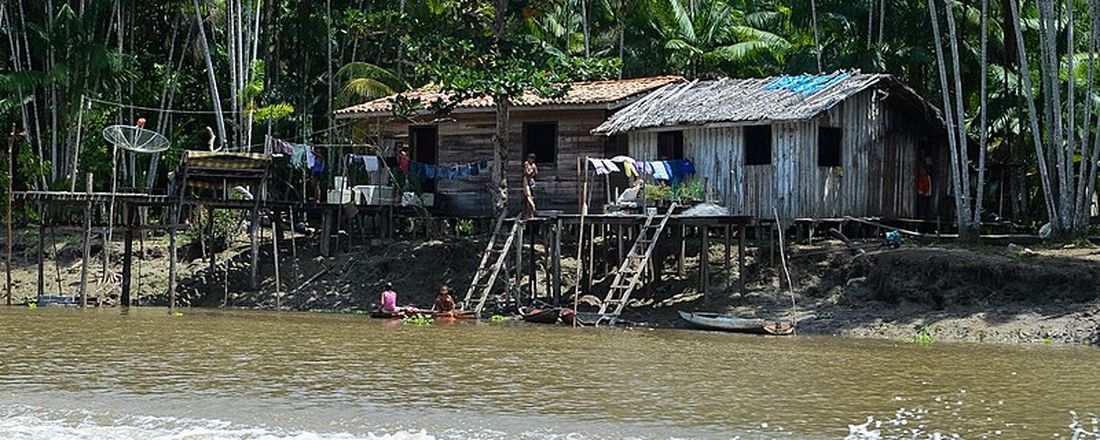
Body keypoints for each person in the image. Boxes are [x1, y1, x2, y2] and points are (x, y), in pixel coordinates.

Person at [522, 153, 539, 219]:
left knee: (532, 196)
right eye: (529, 158)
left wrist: (532, 171)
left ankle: (531, 214)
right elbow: (527, 173)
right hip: (526, 181)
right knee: (527, 197)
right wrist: (532, 170)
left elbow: (536, 172)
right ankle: (526, 214)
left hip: (531, 181)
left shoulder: (533, 165)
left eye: (531, 159)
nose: (529, 160)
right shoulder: (526, 164)